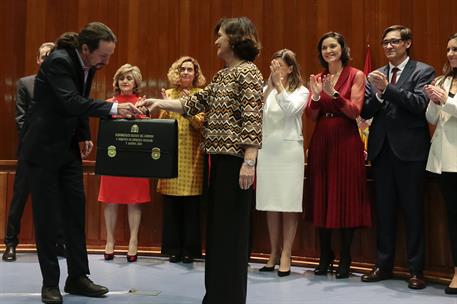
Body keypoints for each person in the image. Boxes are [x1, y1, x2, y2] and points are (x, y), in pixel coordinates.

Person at [138, 16, 263, 304]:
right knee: (218, 234)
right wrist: (159, 103)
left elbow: (254, 118)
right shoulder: (222, 75)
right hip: (217, 162)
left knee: (231, 234)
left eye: (220, 35)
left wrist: (250, 161)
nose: (216, 41)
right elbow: (192, 103)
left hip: (236, 163)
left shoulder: (249, 73)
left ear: (234, 39)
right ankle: (216, 296)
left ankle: (229, 297)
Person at [20, 23, 140, 304]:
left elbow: (80, 101)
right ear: (85, 49)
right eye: (103, 55)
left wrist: (84, 134)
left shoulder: (89, 63)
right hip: (42, 151)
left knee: (75, 213)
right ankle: (50, 284)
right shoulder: (59, 61)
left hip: (67, 150)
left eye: (110, 56)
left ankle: (77, 277)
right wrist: (114, 108)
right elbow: (70, 101)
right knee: (48, 218)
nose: (107, 62)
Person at [360, 25, 435, 290]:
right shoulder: (377, 75)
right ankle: (383, 265)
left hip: (411, 153)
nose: (389, 46)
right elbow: (366, 109)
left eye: (394, 42)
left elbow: (419, 105)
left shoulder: (423, 71)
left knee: (413, 212)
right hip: (382, 151)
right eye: (385, 43)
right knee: (385, 212)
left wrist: (387, 90)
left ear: (407, 43)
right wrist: (379, 93)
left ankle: (416, 270)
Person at [305, 32, 371, 279]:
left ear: (342, 49)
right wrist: (314, 96)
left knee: (345, 196)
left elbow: (355, 111)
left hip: (346, 139)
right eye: (324, 47)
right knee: (322, 194)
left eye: (333, 46)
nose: (328, 51)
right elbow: (311, 116)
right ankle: (325, 256)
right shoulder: (319, 77)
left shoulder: (356, 74)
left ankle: (345, 258)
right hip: (322, 138)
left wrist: (333, 93)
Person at [2, 42, 67, 262]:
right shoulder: (25, 83)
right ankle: (10, 243)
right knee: (19, 198)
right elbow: (21, 119)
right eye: (43, 55)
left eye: (51, 54)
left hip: (56, 152)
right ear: (38, 60)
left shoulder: (63, 84)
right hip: (31, 152)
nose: (47, 58)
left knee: (57, 198)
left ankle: (59, 242)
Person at [256, 49, 308, 277]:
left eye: (279, 66)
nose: (275, 69)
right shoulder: (265, 90)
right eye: (272, 65)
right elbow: (256, 111)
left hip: (289, 151)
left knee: (288, 204)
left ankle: (287, 253)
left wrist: (280, 87)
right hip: (268, 150)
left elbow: (291, 110)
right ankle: (273, 252)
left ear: (290, 69)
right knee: (271, 203)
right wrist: (269, 86)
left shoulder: (301, 91)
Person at [98, 64, 151, 263]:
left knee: (134, 200)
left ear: (136, 81)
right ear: (117, 82)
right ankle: (110, 241)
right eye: (122, 78)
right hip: (113, 159)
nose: (125, 81)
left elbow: (148, 132)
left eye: (129, 78)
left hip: (136, 160)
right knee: (110, 200)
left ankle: (133, 241)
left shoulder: (143, 103)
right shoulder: (108, 103)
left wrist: (139, 115)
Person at [157, 56, 206, 264]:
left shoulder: (200, 95)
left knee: (191, 208)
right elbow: (160, 124)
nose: (186, 73)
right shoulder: (168, 94)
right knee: (172, 207)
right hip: (171, 157)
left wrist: (188, 107)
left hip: (192, 158)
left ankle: (190, 250)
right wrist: (167, 106)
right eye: (182, 69)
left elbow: (200, 125)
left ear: (195, 74)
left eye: (190, 70)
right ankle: (173, 249)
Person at [423, 33, 457, 295]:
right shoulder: (443, 80)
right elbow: (432, 117)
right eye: (448, 49)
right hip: (445, 161)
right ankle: (456, 270)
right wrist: (434, 101)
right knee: (453, 217)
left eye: (455, 49)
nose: (450, 54)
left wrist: (446, 100)